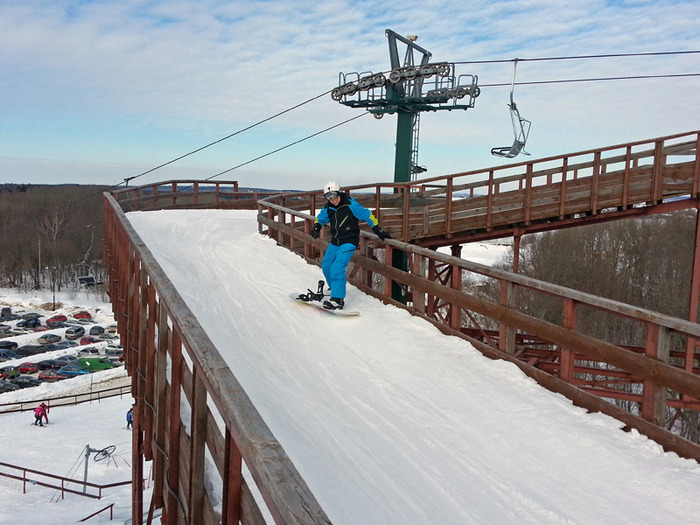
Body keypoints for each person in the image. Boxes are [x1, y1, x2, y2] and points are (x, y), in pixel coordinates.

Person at [311, 180, 391, 310]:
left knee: (337, 268)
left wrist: (377, 229)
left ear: (339, 193)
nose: (332, 200)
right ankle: (334, 289)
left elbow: (367, 215)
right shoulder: (328, 207)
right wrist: (316, 226)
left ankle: (338, 299)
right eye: (328, 197)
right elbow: (321, 217)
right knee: (326, 264)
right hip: (336, 241)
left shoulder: (350, 204)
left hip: (349, 241)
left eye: (334, 196)